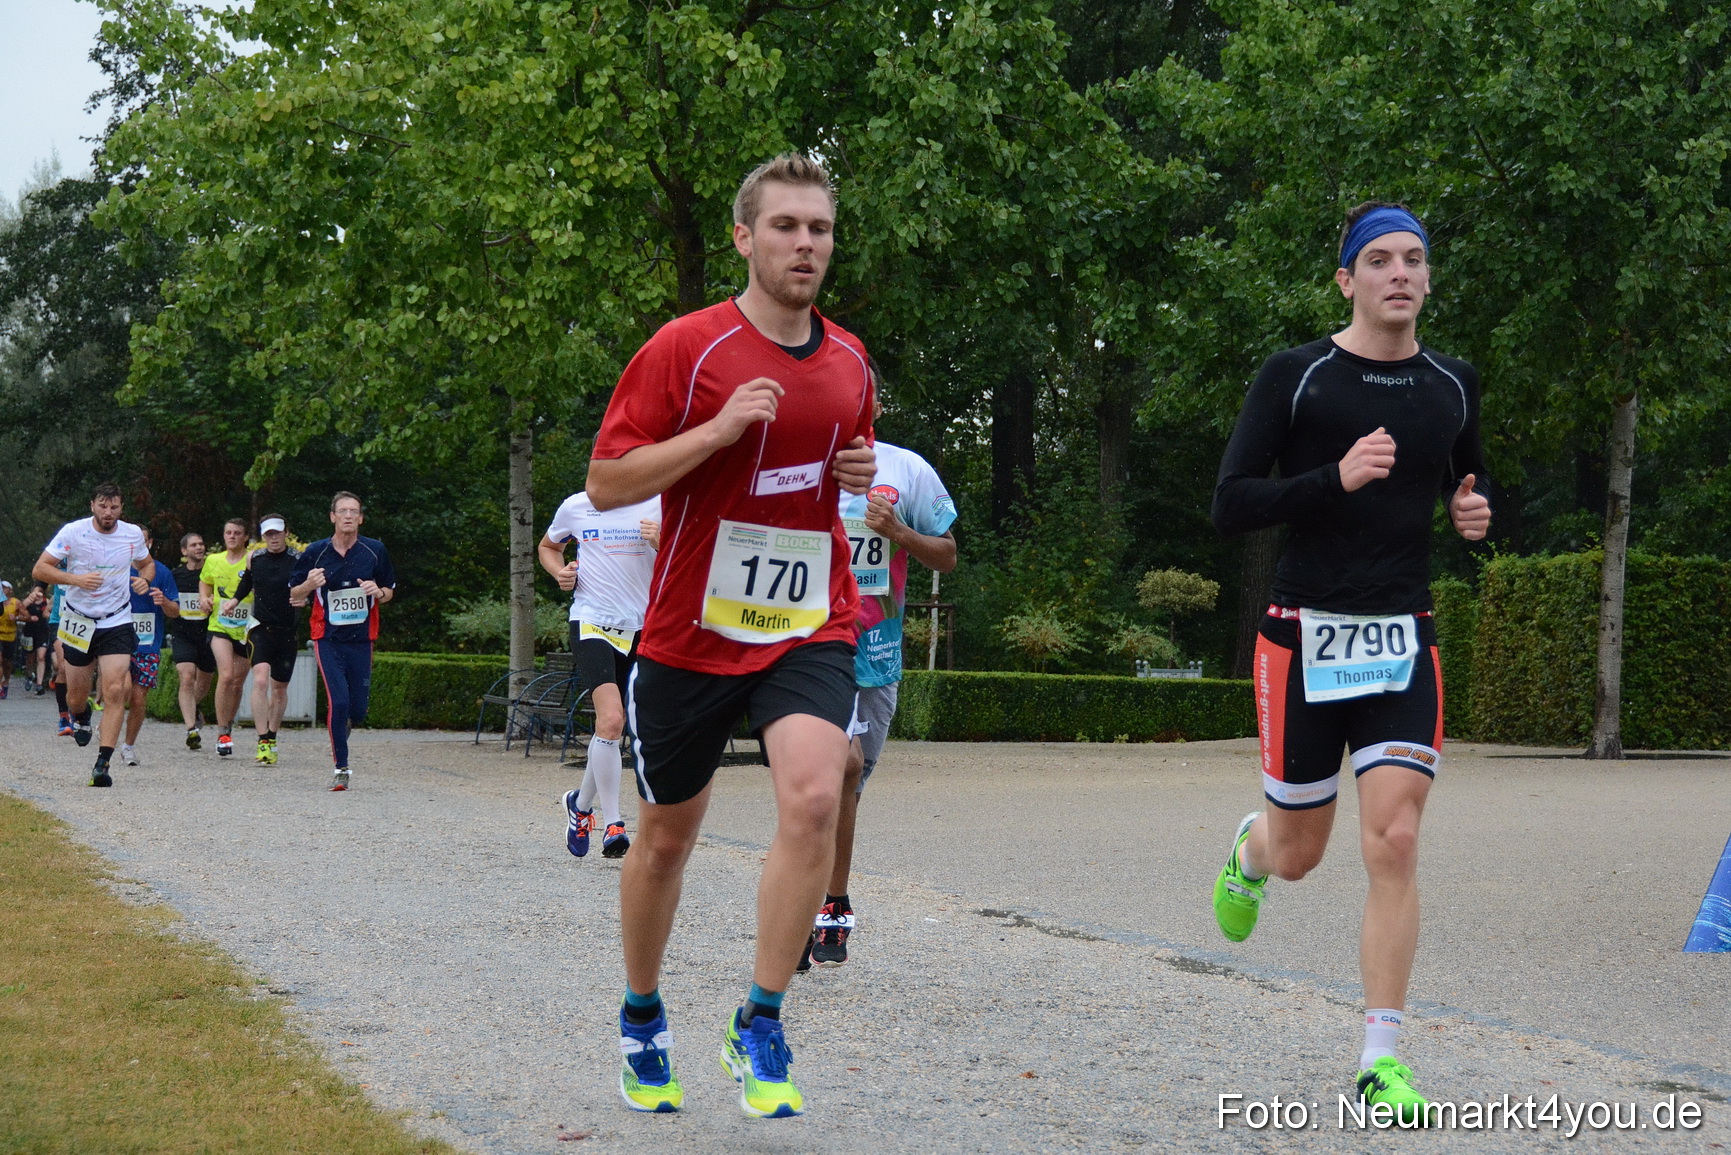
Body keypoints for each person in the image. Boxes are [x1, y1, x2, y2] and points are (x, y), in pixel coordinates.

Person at [587, 153, 876, 1119]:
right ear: (745, 238)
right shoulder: (687, 347)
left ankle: (759, 1015)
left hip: (807, 620)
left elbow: (841, 464)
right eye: (786, 226)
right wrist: (711, 436)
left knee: (814, 793)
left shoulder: (849, 361)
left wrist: (854, 470)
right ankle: (641, 1016)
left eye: (820, 229)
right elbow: (607, 483)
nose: (805, 244)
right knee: (666, 840)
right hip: (690, 630)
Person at [1208, 202, 1492, 1124]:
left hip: (1401, 637)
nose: (1400, 274)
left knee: (1397, 840)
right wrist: (1330, 478)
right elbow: (1231, 503)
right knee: (1299, 854)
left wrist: (1475, 515)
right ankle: (1250, 847)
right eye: (1379, 260)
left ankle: (1380, 1057)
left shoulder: (1453, 383)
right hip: (1302, 635)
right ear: (1346, 280)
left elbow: (1470, 482)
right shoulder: (1299, 377)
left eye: (1414, 258)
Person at [801, 383, 957, 971]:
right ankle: (812, 909)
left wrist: (899, 534)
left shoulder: (906, 469)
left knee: (846, 787)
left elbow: (946, 554)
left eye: (864, 394)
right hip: (811, 645)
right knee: (827, 772)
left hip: (878, 649)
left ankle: (829, 900)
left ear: (878, 404)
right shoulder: (801, 464)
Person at [538, 492, 660, 859]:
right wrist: (559, 571)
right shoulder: (576, 506)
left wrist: (661, 540)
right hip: (591, 620)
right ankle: (614, 823)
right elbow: (548, 546)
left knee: (611, 730)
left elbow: (692, 561)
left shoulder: (661, 501)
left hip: (642, 626)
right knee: (610, 721)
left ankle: (580, 803)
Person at [31, 483, 157, 786]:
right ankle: (82, 716)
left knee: (115, 689)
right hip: (78, 621)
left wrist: (144, 579)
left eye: (114, 507)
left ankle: (103, 763)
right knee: (75, 697)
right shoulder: (73, 532)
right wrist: (75, 579)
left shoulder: (131, 535)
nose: (108, 513)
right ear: (93, 506)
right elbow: (40, 569)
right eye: (103, 506)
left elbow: (147, 564)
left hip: (116, 620)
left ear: (121, 508)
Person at [290, 492, 397, 791]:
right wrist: (308, 585)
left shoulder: (375, 551)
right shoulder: (315, 552)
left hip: (362, 639)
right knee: (338, 701)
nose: (348, 516)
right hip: (328, 638)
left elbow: (389, 592)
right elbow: (294, 595)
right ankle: (342, 767)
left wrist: (379, 592)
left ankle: (344, 727)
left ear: (361, 518)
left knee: (358, 710)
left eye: (354, 511)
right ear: (333, 517)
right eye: (343, 511)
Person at [229, 515, 302, 765]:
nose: (273, 538)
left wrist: (306, 600)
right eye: (268, 534)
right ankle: (261, 739)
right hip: (260, 628)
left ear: (286, 533)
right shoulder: (254, 558)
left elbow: (308, 588)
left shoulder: (297, 560)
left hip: (287, 630)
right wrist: (235, 600)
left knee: (279, 688)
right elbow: (246, 582)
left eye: (277, 533)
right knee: (259, 680)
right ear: (263, 536)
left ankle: (272, 735)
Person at [120, 530, 180, 767]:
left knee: (138, 697)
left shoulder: (162, 572)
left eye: (141, 541)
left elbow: (176, 611)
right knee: (121, 689)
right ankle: (110, 717)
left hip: (147, 644)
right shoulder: (118, 569)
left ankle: (128, 746)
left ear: (149, 543)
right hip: (120, 641)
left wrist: (164, 601)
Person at [200, 518, 254, 757]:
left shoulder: (253, 559)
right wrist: (205, 598)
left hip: (247, 627)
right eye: (228, 532)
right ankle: (222, 732)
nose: (232, 536)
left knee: (237, 682)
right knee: (227, 674)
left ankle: (228, 724)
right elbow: (205, 583)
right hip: (219, 625)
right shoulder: (213, 560)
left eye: (237, 533)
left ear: (245, 537)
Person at [170, 531, 217, 749]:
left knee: (205, 680)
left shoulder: (213, 574)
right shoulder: (176, 576)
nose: (199, 548)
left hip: (208, 634)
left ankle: (192, 707)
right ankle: (191, 729)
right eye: (194, 545)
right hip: (183, 634)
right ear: (184, 551)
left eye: (201, 544)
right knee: (187, 676)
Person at [19, 584, 50, 695]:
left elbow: (49, 613)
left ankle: (39, 684)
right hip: (29, 631)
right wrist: (29, 617)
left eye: (39, 591)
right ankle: (29, 675)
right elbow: (20, 612)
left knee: (41, 656)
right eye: (35, 591)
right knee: (30, 658)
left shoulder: (46, 602)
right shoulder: (28, 602)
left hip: (42, 632)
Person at [0, 581, 19, 697]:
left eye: (5, 588)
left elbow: (26, 616)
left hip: (10, 636)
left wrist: (16, 617)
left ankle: (6, 681)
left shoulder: (16, 602)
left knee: (7, 663)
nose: (3, 589)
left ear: (10, 590)